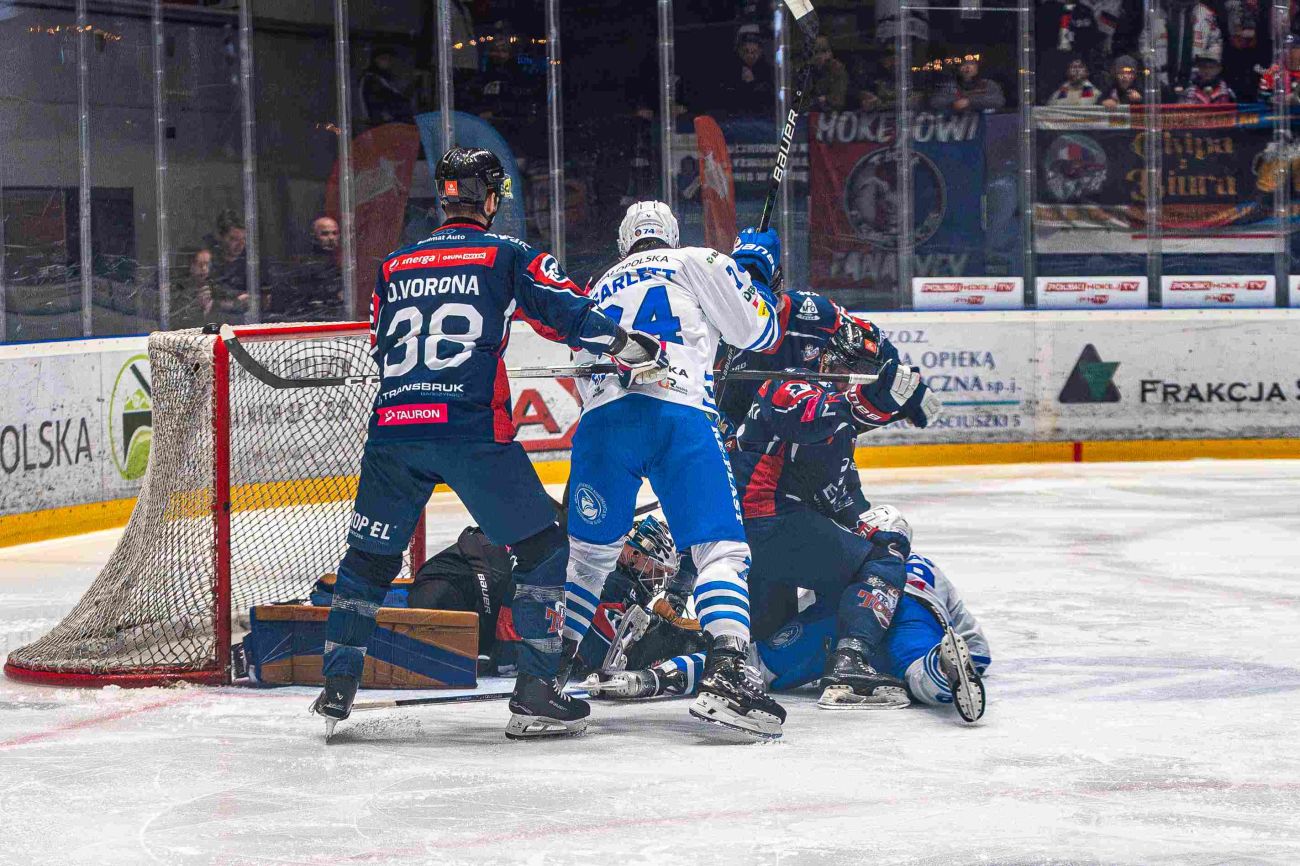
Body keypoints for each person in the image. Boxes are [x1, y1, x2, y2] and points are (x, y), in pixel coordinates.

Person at [309, 146, 667, 740]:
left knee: (368, 561)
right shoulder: (508, 253)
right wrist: (631, 347)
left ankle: (336, 688)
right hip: (470, 430)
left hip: (394, 428)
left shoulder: (393, 265)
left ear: (444, 197)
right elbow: (568, 313)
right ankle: (537, 690)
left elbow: (379, 341)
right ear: (493, 198)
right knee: (544, 552)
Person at [561, 201, 788, 740]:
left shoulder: (594, 290)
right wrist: (754, 273)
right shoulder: (695, 260)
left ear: (624, 244)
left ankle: (547, 676)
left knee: (588, 561)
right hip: (678, 415)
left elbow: (582, 375)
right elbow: (760, 333)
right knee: (719, 549)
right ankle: (728, 672)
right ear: (671, 235)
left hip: (602, 424)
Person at [585, 507, 990, 724]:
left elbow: (804, 599)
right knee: (917, 668)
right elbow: (975, 643)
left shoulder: (851, 554)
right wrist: (968, 655)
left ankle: (651, 679)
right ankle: (938, 669)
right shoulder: (926, 567)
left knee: (754, 661)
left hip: (838, 624)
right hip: (913, 615)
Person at [728, 317, 942, 707]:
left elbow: (842, 498)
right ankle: (850, 661)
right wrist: (878, 401)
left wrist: (874, 530)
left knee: (768, 645)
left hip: (768, 537)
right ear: (827, 360)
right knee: (880, 564)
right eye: (850, 366)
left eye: (865, 371)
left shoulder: (841, 427)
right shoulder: (789, 385)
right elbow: (813, 419)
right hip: (766, 525)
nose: (853, 377)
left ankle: (673, 662)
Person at [268, 216, 346, 322]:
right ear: (314, 236)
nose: (331, 238)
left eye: (335, 233)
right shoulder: (303, 266)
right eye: (325, 234)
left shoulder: (338, 263)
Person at [928, 57, 1006, 113]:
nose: (967, 67)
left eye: (971, 64)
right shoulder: (950, 86)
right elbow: (935, 102)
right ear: (959, 69)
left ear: (977, 68)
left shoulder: (988, 85)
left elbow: (999, 101)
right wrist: (953, 103)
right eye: (963, 65)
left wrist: (970, 102)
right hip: (958, 126)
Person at [807, 36, 849, 112]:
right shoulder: (808, 69)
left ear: (829, 53)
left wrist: (826, 99)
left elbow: (839, 99)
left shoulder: (837, 69)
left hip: (833, 113)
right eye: (816, 53)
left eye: (822, 52)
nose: (818, 56)